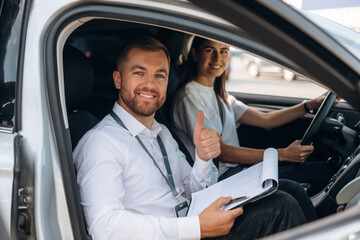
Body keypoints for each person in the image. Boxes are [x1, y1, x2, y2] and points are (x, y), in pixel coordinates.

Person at [74, 36, 307, 240]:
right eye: (139, 73)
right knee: (280, 208)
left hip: (191, 225)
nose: (150, 84)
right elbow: (104, 228)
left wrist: (204, 159)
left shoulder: (160, 132)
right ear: (118, 79)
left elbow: (192, 190)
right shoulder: (101, 143)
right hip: (184, 232)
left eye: (160, 75)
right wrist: (197, 227)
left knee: (288, 189)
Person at [171, 37, 338, 195]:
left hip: (239, 173)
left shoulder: (222, 97)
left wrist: (310, 105)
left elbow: (267, 120)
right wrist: (282, 154)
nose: (218, 57)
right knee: (320, 175)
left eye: (224, 51)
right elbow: (223, 153)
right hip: (221, 182)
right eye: (210, 50)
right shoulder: (189, 98)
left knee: (318, 171)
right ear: (195, 54)